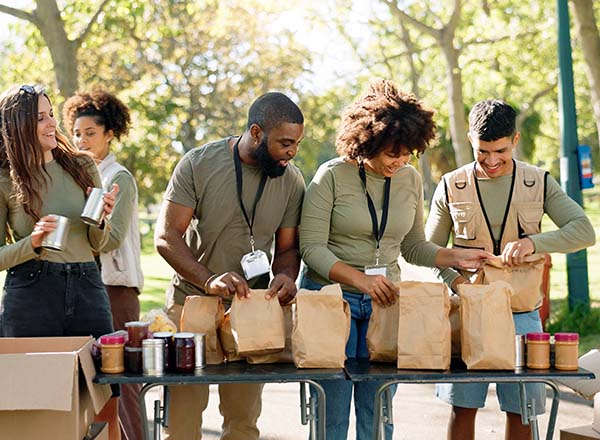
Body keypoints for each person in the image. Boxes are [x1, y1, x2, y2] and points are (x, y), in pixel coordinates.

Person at [299, 79, 491, 440]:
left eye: (407, 154)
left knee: (379, 408)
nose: (399, 161)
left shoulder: (409, 179)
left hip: (384, 303)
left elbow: (414, 246)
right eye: (391, 153)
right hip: (329, 300)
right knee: (332, 411)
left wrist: (458, 256)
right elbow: (312, 249)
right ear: (367, 142)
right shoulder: (332, 176)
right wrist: (360, 280)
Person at [425, 98, 596, 440]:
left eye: (500, 151)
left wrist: (535, 243)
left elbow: (584, 231)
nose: (491, 161)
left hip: (523, 314)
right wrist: (456, 282)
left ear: (515, 140)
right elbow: (429, 251)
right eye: (482, 151)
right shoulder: (450, 185)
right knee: (463, 407)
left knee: (522, 410)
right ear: (471, 139)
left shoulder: (539, 181)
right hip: (468, 311)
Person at [154, 91, 305, 440]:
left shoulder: (291, 179)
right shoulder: (198, 163)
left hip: (250, 309)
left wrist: (284, 276)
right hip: (191, 305)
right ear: (256, 133)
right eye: (284, 143)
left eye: (296, 143)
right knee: (182, 418)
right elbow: (166, 236)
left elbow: (287, 248)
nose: (291, 152)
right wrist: (208, 280)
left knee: (242, 420)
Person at [0, 84, 120, 434]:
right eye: (40, 117)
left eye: (50, 114)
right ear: (17, 126)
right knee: (30, 406)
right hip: (31, 293)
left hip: (87, 287)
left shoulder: (82, 165)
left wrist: (101, 218)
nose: (52, 123)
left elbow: (100, 242)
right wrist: (31, 243)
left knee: (105, 396)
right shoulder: (6, 180)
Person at [63, 88, 144, 440]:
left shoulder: (117, 178)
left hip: (116, 289)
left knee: (123, 383)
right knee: (93, 383)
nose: (81, 141)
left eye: (90, 133)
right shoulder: (76, 177)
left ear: (110, 133)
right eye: (77, 133)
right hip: (86, 288)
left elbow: (111, 238)